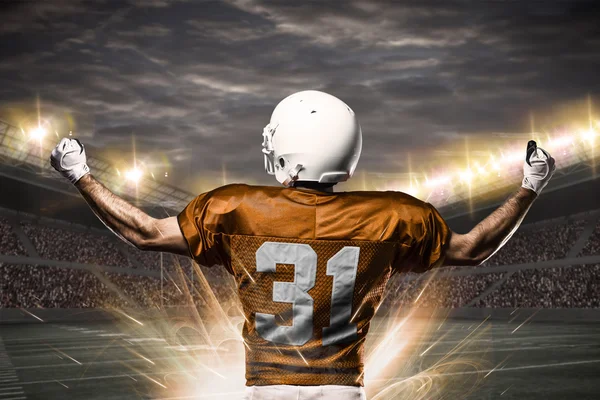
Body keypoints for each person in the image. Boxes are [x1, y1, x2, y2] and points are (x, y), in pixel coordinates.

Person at [50, 90, 555, 400]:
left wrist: (81, 176)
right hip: (343, 389)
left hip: (265, 389)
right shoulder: (394, 214)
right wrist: (530, 184)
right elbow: (472, 248)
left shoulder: (237, 207)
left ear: (289, 154)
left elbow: (142, 232)